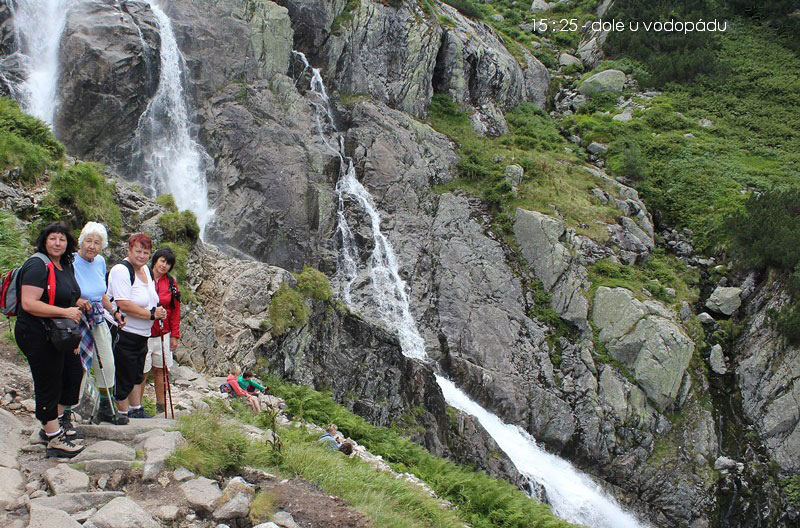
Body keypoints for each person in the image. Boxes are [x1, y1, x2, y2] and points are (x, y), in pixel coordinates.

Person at [15, 222, 86, 457]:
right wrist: (66, 312)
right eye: (53, 238)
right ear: (44, 241)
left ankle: (51, 423)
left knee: (73, 374)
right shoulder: (37, 265)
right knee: (49, 380)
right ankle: (54, 438)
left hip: (60, 333)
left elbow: (65, 295)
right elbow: (29, 303)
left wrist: (76, 304)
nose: (58, 243)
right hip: (37, 332)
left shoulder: (65, 265)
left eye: (62, 239)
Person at [73, 222, 128, 425]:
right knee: (78, 365)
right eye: (88, 241)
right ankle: (71, 411)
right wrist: (76, 301)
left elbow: (101, 293)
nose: (92, 246)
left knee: (107, 363)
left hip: (97, 316)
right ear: (81, 241)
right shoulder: (71, 261)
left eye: (97, 243)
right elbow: (64, 288)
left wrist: (114, 311)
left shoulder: (100, 262)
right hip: (77, 317)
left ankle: (106, 407)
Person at [106, 233, 166, 418]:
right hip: (123, 331)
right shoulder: (121, 270)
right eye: (138, 251)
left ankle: (135, 408)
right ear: (129, 250)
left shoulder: (145, 270)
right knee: (124, 372)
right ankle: (122, 412)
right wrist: (151, 314)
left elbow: (149, 299)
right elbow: (123, 304)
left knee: (136, 372)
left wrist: (158, 311)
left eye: (146, 252)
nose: (141, 256)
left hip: (142, 333)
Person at [134, 247, 181, 415]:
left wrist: (175, 335)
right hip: (143, 331)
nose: (164, 265)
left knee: (161, 370)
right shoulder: (141, 275)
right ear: (155, 260)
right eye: (162, 261)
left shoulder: (170, 282)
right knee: (142, 371)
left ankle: (161, 407)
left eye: (168, 263)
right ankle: (136, 407)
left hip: (164, 333)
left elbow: (175, 310)